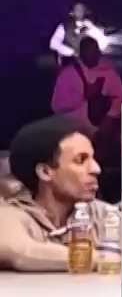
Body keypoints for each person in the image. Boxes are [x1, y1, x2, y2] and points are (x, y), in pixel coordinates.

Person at [0, 115, 115, 272]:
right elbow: (20, 251)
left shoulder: (103, 214)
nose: (96, 169)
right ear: (45, 172)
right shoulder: (10, 214)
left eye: (93, 159)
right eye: (80, 160)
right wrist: (106, 258)